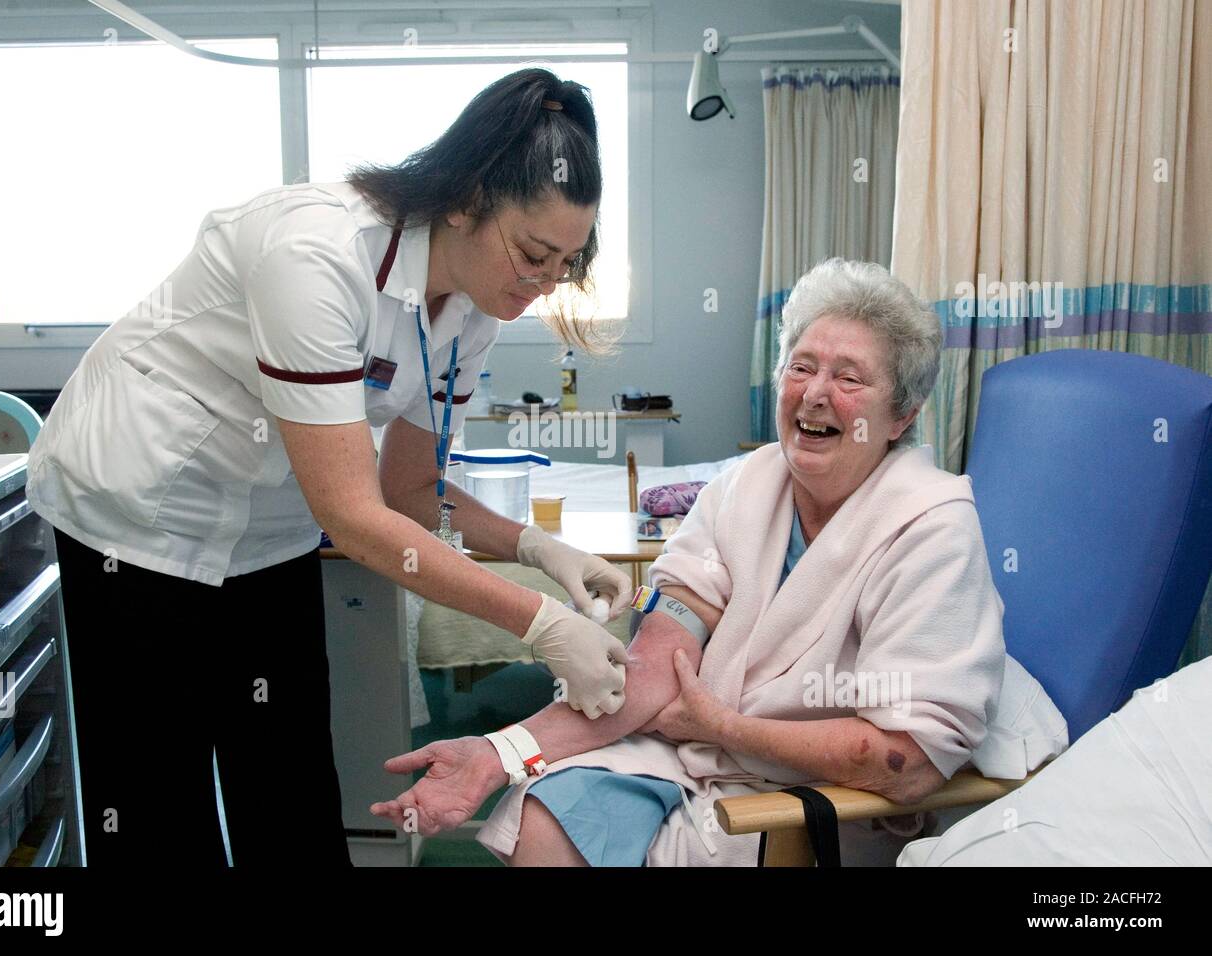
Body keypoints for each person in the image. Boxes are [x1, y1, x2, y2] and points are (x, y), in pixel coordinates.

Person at [25, 68, 633, 866]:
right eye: (533, 253)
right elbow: (354, 514)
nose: (544, 283)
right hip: (137, 510)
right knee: (156, 801)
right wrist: (539, 622)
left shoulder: (477, 307)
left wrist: (537, 550)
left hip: (270, 523)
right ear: (465, 200)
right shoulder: (318, 254)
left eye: (565, 265)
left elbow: (408, 492)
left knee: (289, 779)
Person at [370, 259, 1067, 866]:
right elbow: (652, 672)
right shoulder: (745, 488)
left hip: (830, 795)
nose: (817, 393)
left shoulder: (931, 530)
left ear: (903, 415)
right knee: (544, 823)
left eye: (850, 377)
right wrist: (497, 753)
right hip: (695, 746)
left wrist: (723, 727)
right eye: (801, 367)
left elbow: (906, 762)